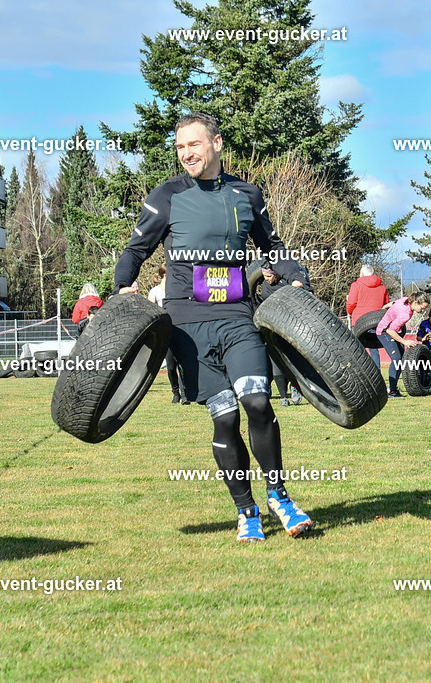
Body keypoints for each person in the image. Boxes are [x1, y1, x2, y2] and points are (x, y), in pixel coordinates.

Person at [113, 111, 313, 541]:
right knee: (224, 418)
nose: (187, 153)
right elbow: (136, 250)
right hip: (187, 323)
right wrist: (122, 287)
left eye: (195, 144)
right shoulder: (166, 196)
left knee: (257, 401)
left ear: (216, 144)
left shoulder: (247, 193)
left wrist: (297, 275)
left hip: (238, 313)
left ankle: (279, 496)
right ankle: (247, 511)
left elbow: (271, 247)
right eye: (181, 147)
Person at [254, 265, 306, 407]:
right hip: (272, 327)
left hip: (289, 326)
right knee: (275, 363)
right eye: (264, 276)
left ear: (276, 275)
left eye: (269, 276)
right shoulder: (264, 285)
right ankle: (283, 396)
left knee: (292, 360)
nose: (266, 279)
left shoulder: (285, 284)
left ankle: (295, 387)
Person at [375, 291, 430, 398]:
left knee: (401, 360)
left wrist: (385, 307)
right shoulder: (406, 314)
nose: (422, 311)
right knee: (396, 359)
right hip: (384, 332)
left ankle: (393, 388)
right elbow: (391, 331)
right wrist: (405, 342)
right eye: (422, 308)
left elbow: (392, 303)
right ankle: (392, 391)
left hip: (393, 331)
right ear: (415, 303)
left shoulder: (405, 300)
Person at [148, 265, 188, 405]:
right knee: (171, 366)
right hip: (166, 332)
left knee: (182, 364)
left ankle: (185, 395)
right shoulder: (155, 292)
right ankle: (175, 392)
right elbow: (150, 313)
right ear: (164, 275)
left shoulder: (178, 290)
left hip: (181, 330)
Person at [346, 264, 390, 367]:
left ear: (361, 274)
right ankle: (377, 372)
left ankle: (358, 371)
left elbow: (351, 303)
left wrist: (350, 312)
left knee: (357, 348)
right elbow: (386, 304)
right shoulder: (382, 287)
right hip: (375, 321)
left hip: (359, 320)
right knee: (374, 348)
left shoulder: (356, 285)